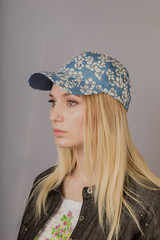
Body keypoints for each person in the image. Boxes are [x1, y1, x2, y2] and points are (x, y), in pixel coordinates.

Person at [17, 52, 160, 240]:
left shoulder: (147, 205)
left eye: (71, 102)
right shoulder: (44, 186)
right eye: (53, 102)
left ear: (107, 113)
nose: (54, 115)